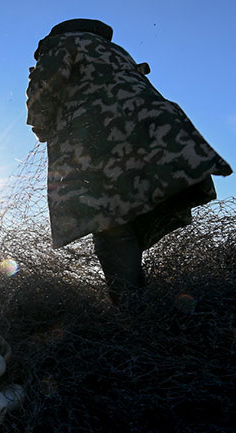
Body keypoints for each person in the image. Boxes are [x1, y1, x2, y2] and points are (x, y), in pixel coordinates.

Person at [26, 19, 232, 304]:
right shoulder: (115, 51)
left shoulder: (63, 44)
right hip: (152, 134)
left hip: (101, 139)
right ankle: (142, 298)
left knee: (109, 222)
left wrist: (42, 128)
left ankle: (131, 309)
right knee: (135, 211)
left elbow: (43, 90)